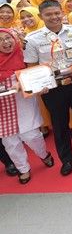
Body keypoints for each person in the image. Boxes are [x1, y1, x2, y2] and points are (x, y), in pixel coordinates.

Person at [23, 0, 72, 176]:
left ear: (62, 13)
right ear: (41, 16)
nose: (54, 17)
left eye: (56, 13)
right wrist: (38, 85)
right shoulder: (32, 39)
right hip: (52, 88)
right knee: (60, 125)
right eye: (48, 14)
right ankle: (67, 159)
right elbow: (32, 67)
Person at [0, 29, 54, 184]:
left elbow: (37, 74)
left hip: (23, 102)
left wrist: (38, 84)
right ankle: (23, 169)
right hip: (3, 108)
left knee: (32, 136)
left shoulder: (24, 55)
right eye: (1, 40)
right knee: (10, 142)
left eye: (8, 38)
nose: (6, 42)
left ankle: (43, 154)